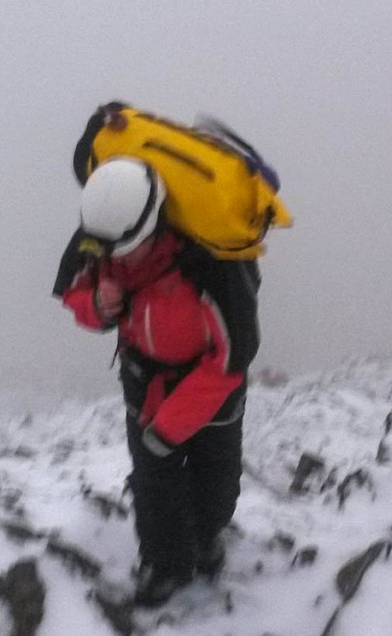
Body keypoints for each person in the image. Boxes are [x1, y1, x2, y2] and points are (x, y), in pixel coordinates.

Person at [57, 157, 260, 607]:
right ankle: (164, 565)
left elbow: (231, 359)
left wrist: (169, 428)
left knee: (217, 481)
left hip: (210, 394)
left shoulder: (212, 265)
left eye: (122, 250)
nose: (109, 258)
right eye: (103, 249)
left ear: (152, 227)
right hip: (145, 381)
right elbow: (74, 291)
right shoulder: (105, 231)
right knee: (154, 485)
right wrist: (98, 304)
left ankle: (206, 539)